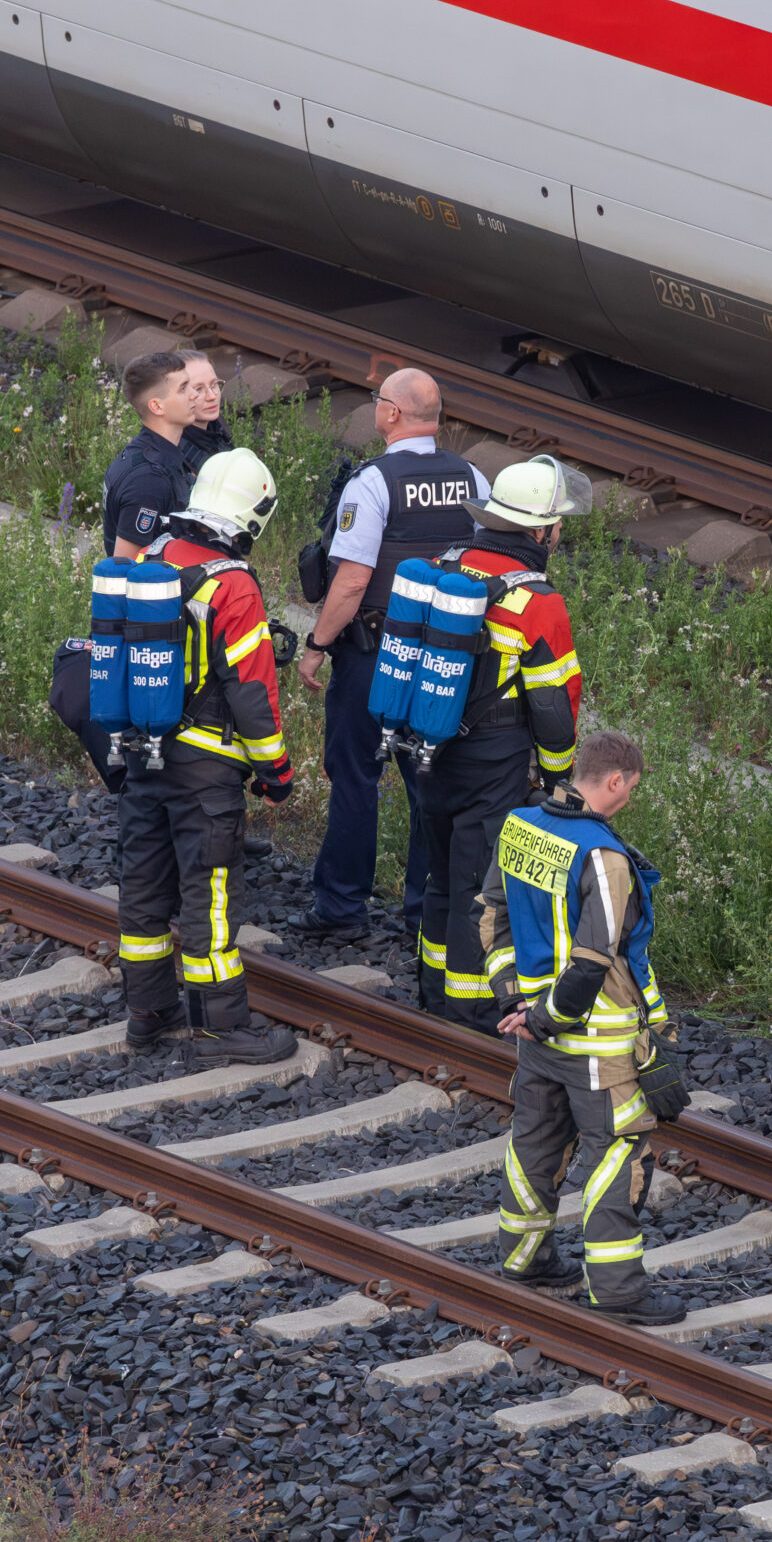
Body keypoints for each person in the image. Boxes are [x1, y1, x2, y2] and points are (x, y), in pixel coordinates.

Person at [479, 731, 687, 1326]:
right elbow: (598, 957)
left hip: (535, 1033)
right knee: (615, 1156)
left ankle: (524, 1257)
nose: (629, 802)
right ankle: (618, 1290)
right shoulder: (603, 855)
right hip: (595, 1043)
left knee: (535, 1140)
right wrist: (551, 1018)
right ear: (615, 781)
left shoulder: (520, 825)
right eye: (631, 791)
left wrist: (517, 1002)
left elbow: (491, 915)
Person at [113, 447, 300, 1068]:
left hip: (144, 753)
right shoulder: (233, 583)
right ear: (251, 518)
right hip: (205, 770)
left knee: (144, 883)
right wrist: (276, 774)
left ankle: (148, 1011)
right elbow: (252, 691)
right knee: (210, 893)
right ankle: (222, 1028)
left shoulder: (152, 557)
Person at [294, 369, 484, 941]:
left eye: (379, 401)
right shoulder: (472, 476)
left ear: (392, 415)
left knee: (356, 775)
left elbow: (352, 581)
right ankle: (425, 915)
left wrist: (316, 645)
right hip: (448, 656)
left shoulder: (374, 482)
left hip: (375, 653)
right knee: (431, 780)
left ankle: (341, 906)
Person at [415, 455, 589, 1030]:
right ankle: (470, 1005)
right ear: (539, 531)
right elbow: (552, 703)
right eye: (557, 524)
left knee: (439, 872)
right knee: (477, 883)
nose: (559, 533)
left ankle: (433, 992)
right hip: (493, 757)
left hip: (426, 745)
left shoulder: (444, 565)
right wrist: (558, 776)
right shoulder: (537, 601)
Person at [100, 349, 201, 559]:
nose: (194, 394)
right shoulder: (148, 480)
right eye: (183, 389)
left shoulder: (158, 453)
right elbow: (126, 568)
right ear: (156, 406)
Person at [179, 350, 235, 476]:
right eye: (198, 389)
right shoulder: (175, 451)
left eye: (214, 384)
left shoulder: (217, 429)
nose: (212, 396)